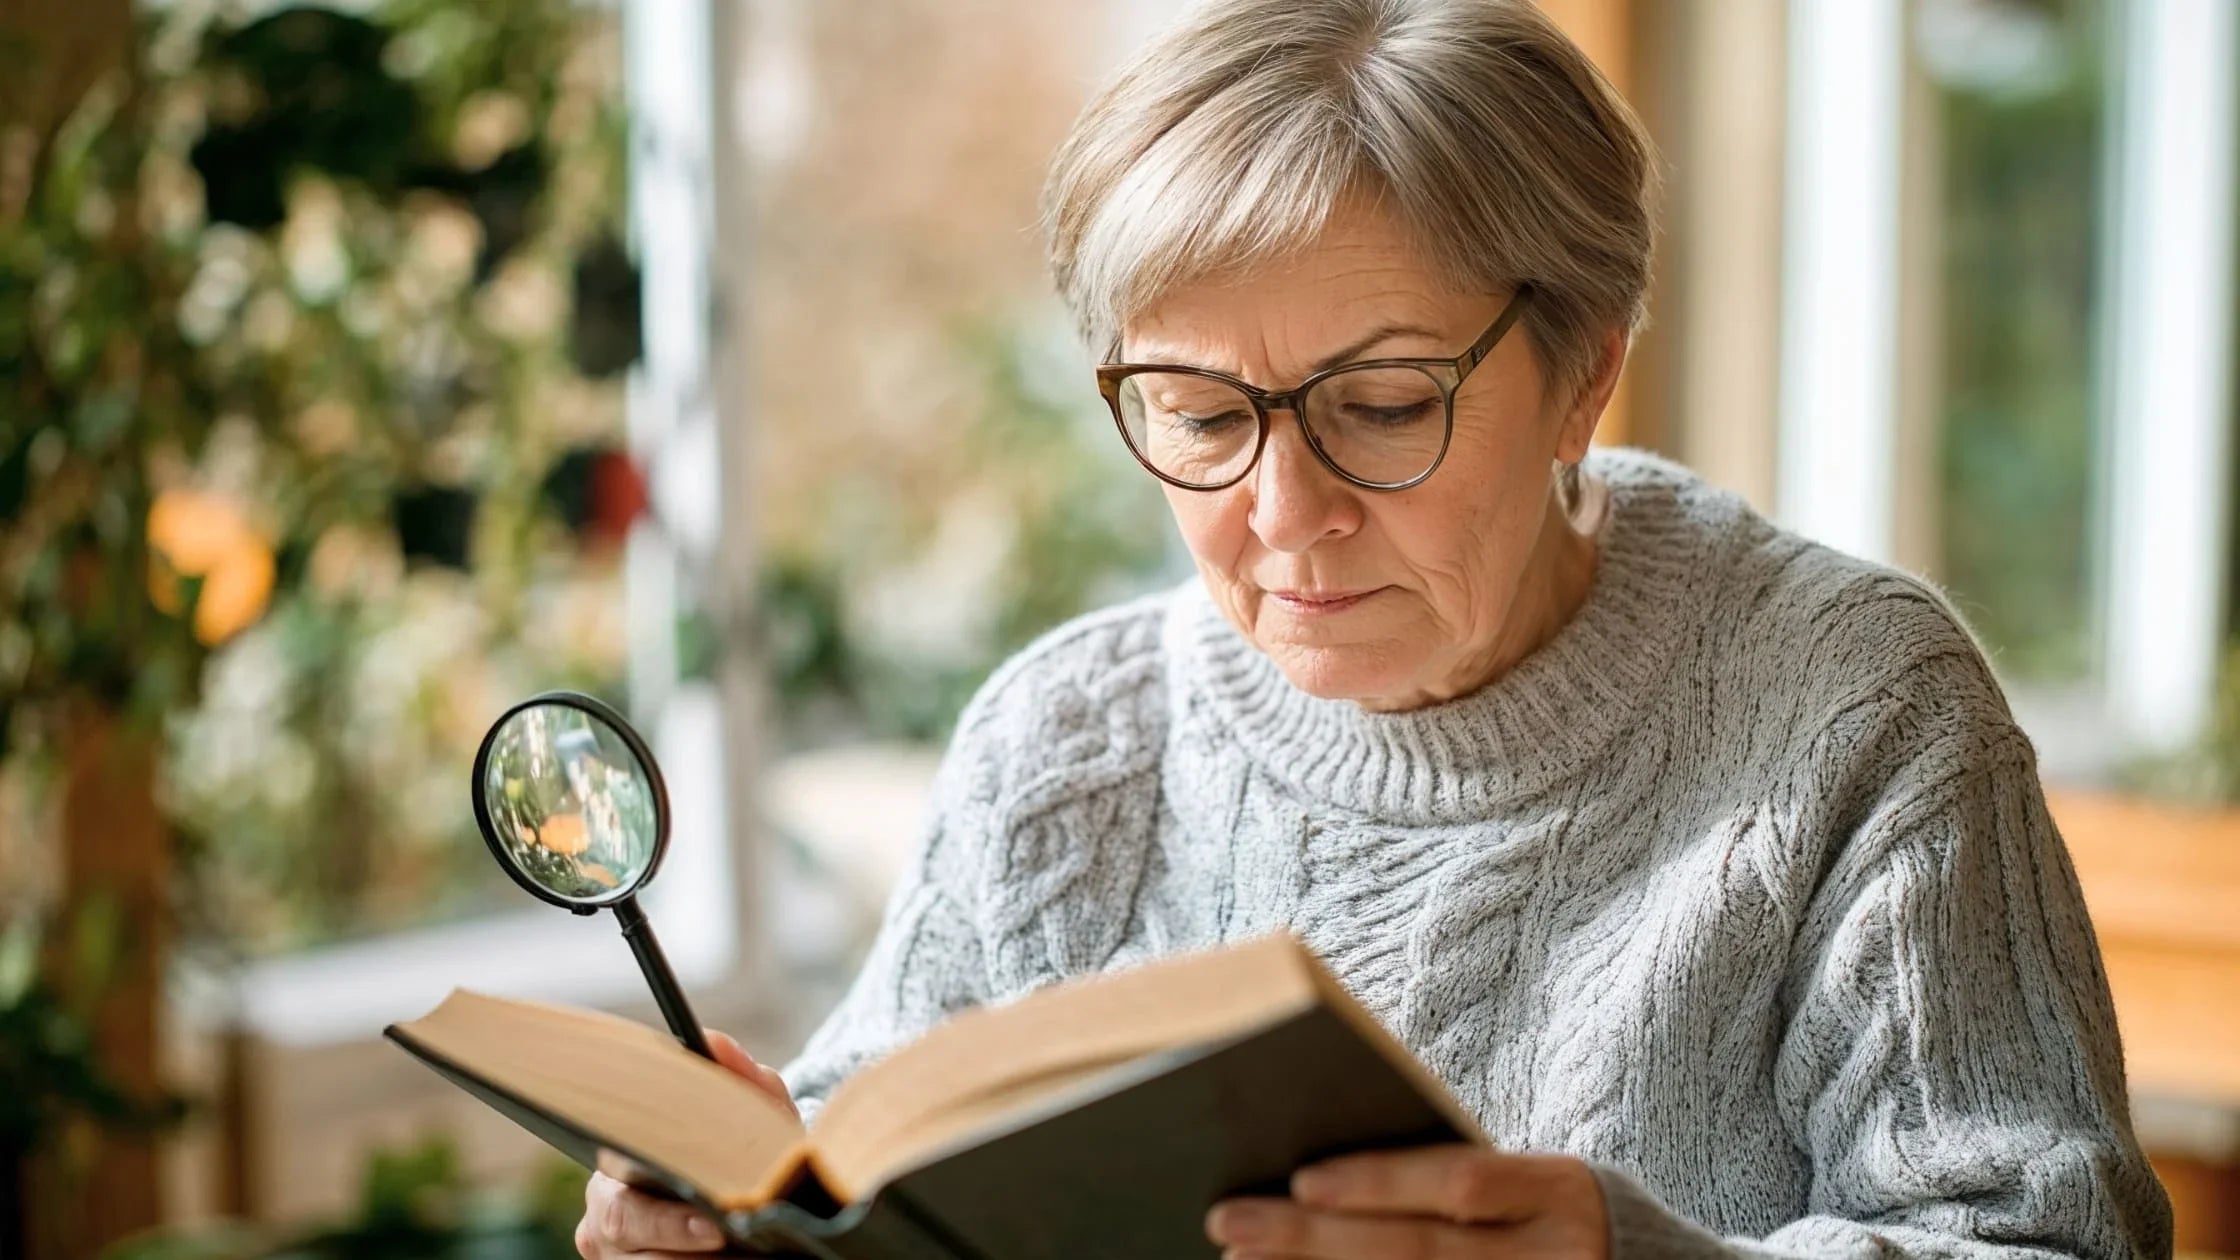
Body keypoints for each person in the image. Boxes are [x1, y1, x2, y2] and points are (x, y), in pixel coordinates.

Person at [576, 0, 2173, 1256]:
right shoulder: (1065, 744)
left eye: (1386, 405)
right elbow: (866, 1170)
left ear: (1585, 370)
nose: (1285, 512)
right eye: (1199, 417)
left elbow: (2051, 1251)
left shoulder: (1856, 716)